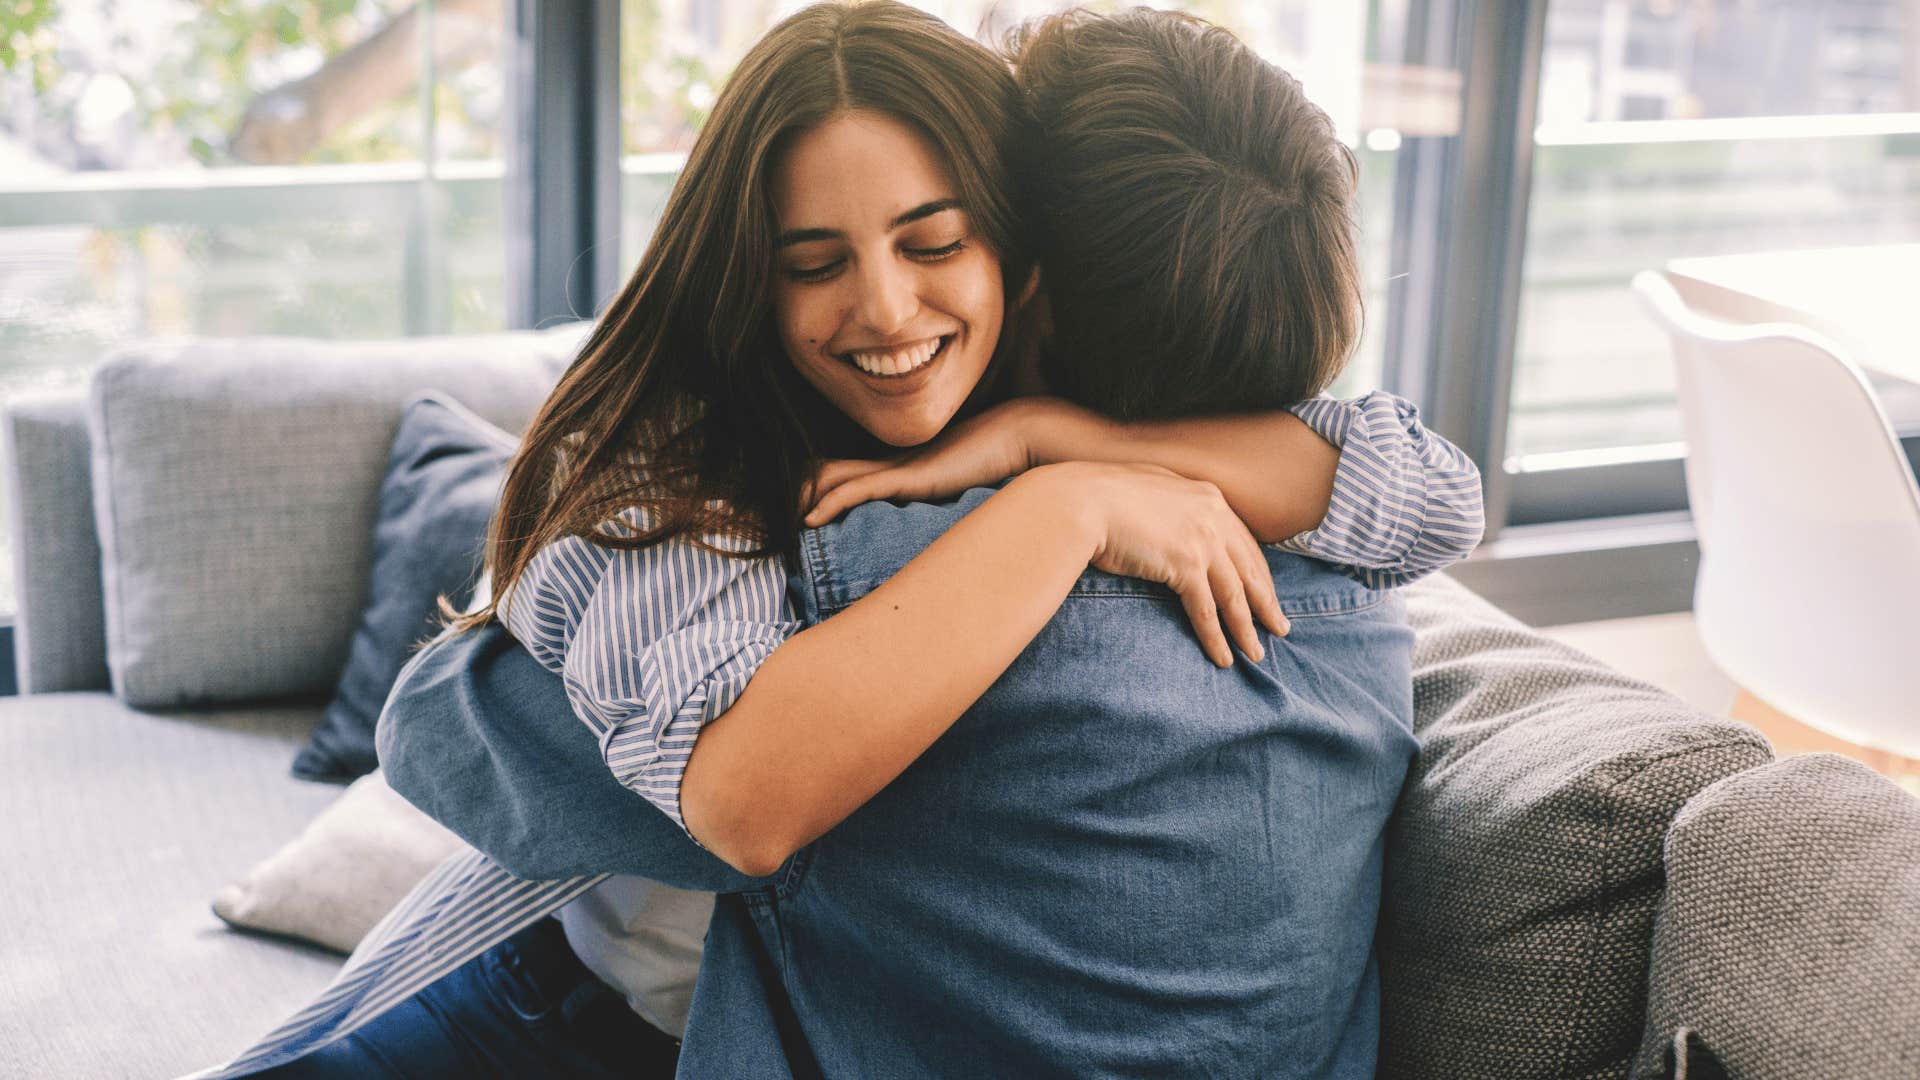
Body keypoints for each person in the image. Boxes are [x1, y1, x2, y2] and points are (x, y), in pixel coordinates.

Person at [199, 4, 1481, 1077]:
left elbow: (1432, 495)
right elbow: (678, 781)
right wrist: (1066, 500)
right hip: (563, 985)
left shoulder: (1069, 425)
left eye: (936, 242)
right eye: (813, 261)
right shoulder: (695, 477)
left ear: (1020, 259)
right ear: (746, 272)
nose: (885, 306)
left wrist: (1050, 436)